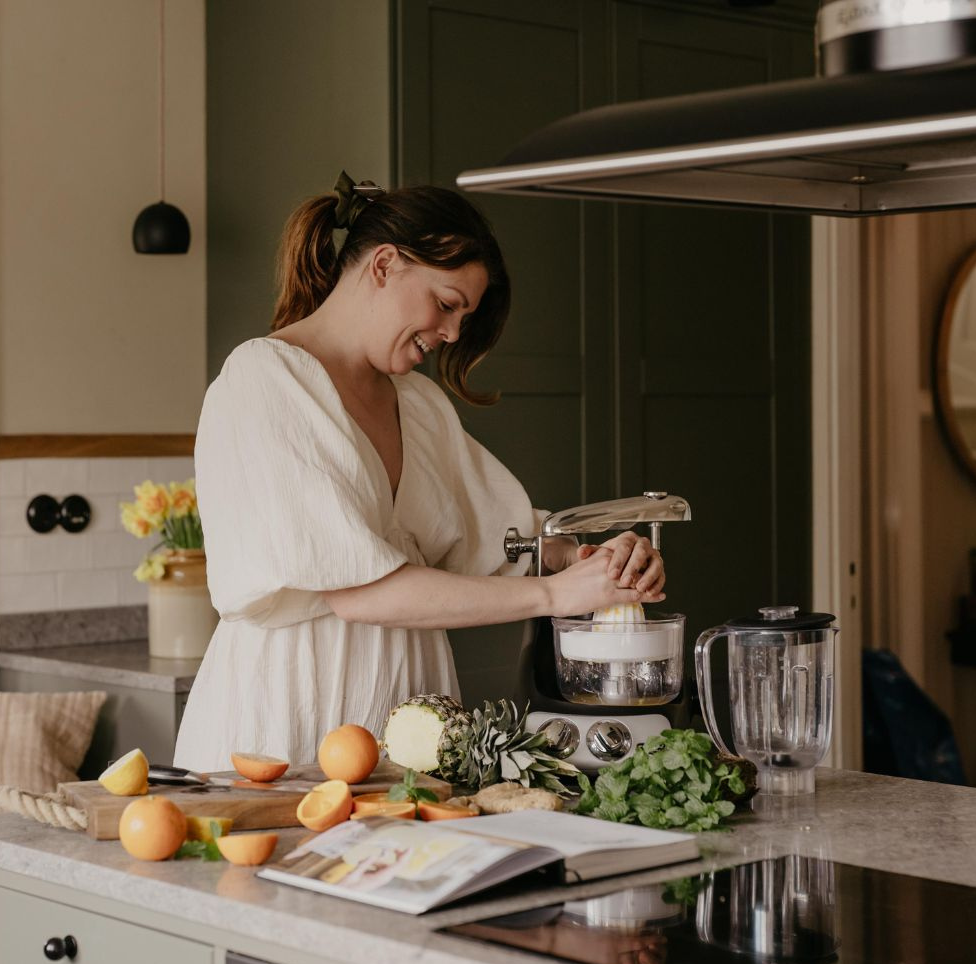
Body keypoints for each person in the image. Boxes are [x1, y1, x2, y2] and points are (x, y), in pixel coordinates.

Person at [173, 173, 665, 771]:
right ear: (385, 265)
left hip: (414, 720)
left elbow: (501, 534)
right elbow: (357, 589)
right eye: (447, 304)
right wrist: (552, 594)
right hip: (286, 714)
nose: (453, 333)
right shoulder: (265, 382)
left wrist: (588, 557)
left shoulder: (419, 404)